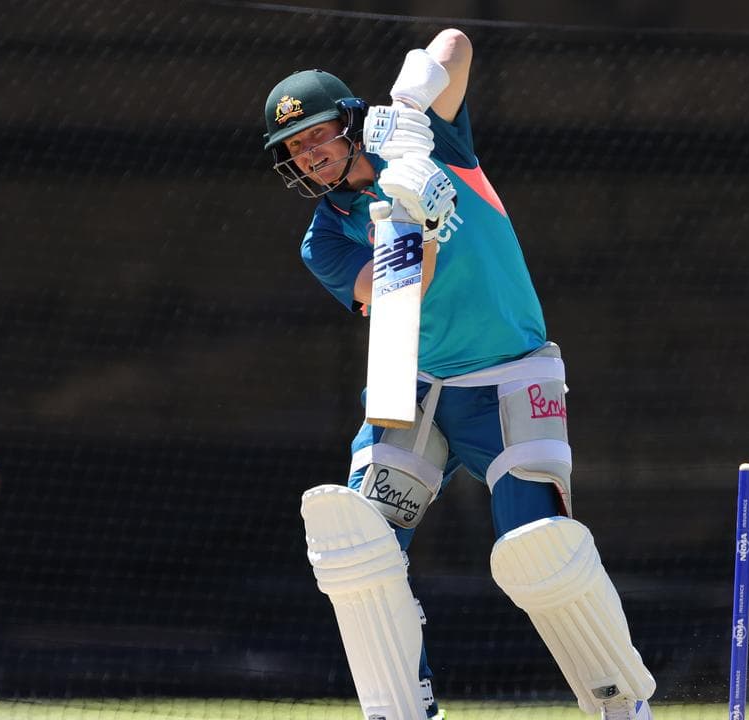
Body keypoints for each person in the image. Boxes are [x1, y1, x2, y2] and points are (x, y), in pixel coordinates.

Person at [261, 28, 657, 720]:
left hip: (510, 374)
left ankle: (620, 706)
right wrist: (421, 220)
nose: (308, 155)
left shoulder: (432, 141)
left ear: (350, 123)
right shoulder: (324, 238)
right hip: (408, 383)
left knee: (541, 549)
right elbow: (398, 299)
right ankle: (402, 708)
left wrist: (412, 105)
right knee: (358, 542)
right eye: (294, 149)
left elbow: (455, 44)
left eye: (316, 135)